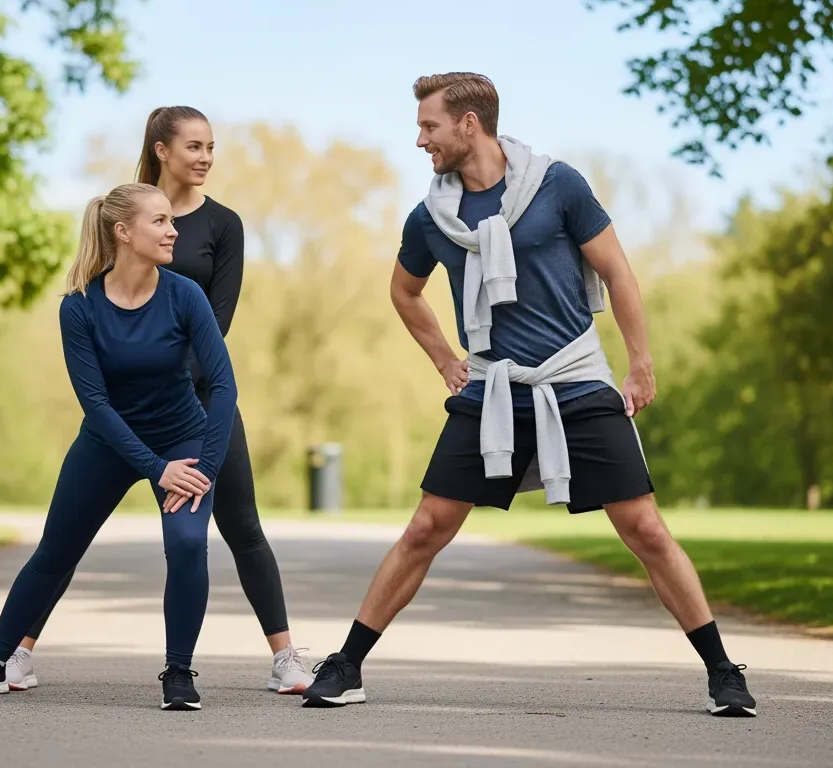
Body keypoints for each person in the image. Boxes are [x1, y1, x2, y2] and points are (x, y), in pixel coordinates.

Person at [301, 73, 758, 718]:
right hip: (491, 385)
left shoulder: (557, 186)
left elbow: (617, 271)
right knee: (427, 527)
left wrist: (640, 363)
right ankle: (347, 665)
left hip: (575, 375)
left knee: (645, 529)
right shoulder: (431, 218)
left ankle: (722, 672)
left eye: (429, 126)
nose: (420, 140)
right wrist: (444, 358)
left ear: (469, 124)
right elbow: (404, 291)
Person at [1, 107, 315, 697]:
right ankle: (16, 651)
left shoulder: (222, 224)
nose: (205, 158)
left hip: (200, 407)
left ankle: (285, 656)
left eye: (211, 147)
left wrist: (175, 389)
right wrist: (132, 391)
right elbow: (102, 303)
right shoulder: (129, 213)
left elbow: (216, 321)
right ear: (161, 150)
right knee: (67, 537)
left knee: (241, 526)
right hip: (127, 407)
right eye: (194, 146)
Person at [0, 182, 237, 711]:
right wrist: (155, 468)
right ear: (123, 232)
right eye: (160, 222)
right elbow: (96, 404)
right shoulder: (79, 307)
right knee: (55, 551)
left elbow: (223, 386)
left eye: (172, 221)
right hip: (108, 443)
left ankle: (178, 672)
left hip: (183, 439)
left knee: (187, 543)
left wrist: (206, 467)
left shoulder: (185, 295)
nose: (173, 231)